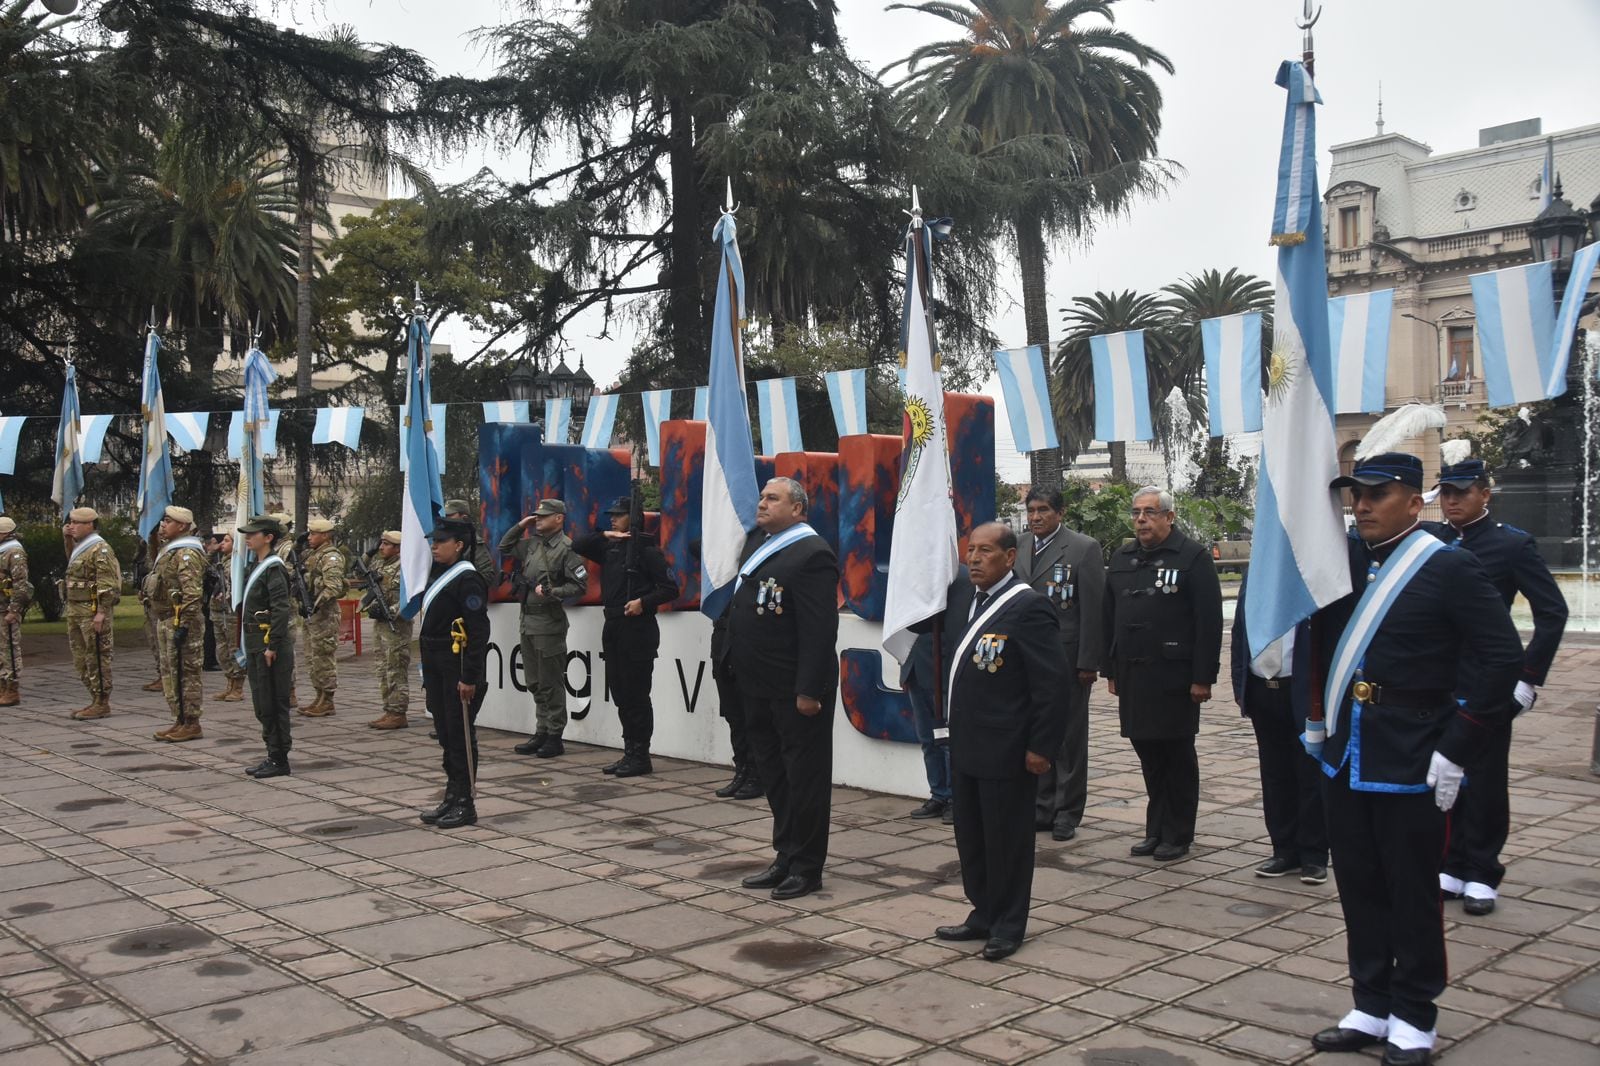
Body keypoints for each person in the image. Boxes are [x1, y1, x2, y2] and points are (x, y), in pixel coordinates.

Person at [1309, 452, 1522, 1065]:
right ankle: (1371, 1003)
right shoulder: (1345, 562)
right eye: (1358, 494)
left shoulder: (1448, 567)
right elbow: (1317, 642)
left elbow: (1502, 658)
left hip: (1413, 755)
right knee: (1359, 886)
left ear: (1415, 499)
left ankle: (1414, 1014)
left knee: (1411, 891)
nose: (1363, 505)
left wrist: (1460, 745)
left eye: (1379, 494)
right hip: (1347, 755)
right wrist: (1313, 725)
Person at [1425, 458, 1567, 917]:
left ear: (1485, 493)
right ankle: (1452, 862)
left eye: (1461, 492)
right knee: (1447, 776)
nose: (1451, 501)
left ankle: (1483, 870)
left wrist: (1528, 677)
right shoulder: (1437, 541)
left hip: (1490, 680)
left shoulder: (1511, 545)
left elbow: (1553, 612)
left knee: (1484, 779)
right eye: (1446, 492)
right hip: (1443, 680)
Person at [923, 523, 1068, 961]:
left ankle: (1008, 923)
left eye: (986, 551)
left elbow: (1052, 685)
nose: (974, 559)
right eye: (971, 551)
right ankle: (982, 911)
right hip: (968, 745)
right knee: (972, 837)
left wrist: (1042, 747)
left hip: (1007, 748)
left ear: (1009, 557)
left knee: (1006, 840)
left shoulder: (1029, 608)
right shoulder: (967, 601)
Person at [722, 477, 840, 901]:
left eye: (773, 498)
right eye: (762, 497)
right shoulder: (762, 545)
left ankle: (808, 867)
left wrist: (809, 690)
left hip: (796, 692)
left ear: (799, 509)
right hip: (757, 686)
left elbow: (819, 629)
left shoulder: (813, 554)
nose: (762, 504)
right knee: (774, 776)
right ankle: (786, 854)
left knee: (804, 779)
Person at [1102, 486, 1222, 862]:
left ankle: (1178, 833)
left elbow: (1209, 621)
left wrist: (1203, 677)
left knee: (1176, 756)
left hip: (1175, 678)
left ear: (1169, 517)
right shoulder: (1123, 558)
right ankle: (1156, 829)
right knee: (1148, 754)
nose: (1141, 520)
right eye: (1137, 513)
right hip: (1135, 676)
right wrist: (1111, 668)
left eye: (1150, 513)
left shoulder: (1192, 557)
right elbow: (1110, 617)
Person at [1012, 487, 1106, 841]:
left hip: (1066, 658)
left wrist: (1088, 662)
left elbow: (1093, 609)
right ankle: (1042, 805)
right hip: (1024, 657)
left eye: (1044, 511)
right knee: (1035, 732)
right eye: (1031, 510)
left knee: (1068, 737)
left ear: (1060, 513)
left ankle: (1067, 810)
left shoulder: (1083, 548)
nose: (1036, 517)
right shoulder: (1018, 545)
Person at [1230, 575, 1326, 884]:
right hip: (1262, 689)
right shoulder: (1256, 576)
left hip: (1301, 691)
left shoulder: (1309, 576)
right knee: (1274, 774)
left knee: (1309, 773)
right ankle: (1283, 849)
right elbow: (1239, 634)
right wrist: (1240, 683)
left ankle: (1313, 855)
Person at [573, 496, 678, 777]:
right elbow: (578, 544)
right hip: (614, 626)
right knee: (620, 692)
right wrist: (605, 534)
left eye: (618, 516)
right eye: (612, 515)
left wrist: (643, 602)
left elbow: (670, 589)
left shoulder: (647, 551)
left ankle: (640, 754)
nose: (613, 519)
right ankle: (629, 750)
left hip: (638, 628)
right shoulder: (611, 548)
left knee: (636, 694)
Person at [417, 517, 490, 829]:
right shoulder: (439, 574)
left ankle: (465, 802)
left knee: (459, 735)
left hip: (456, 664)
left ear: (458, 546)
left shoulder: (467, 579)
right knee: (446, 733)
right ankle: (452, 793)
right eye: (433, 541)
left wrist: (470, 676)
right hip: (436, 663)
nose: (434, 546)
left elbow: (478, 630)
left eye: (441, 541)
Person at [499, 498, 587, 758]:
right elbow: (505, 547)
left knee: (550, 682)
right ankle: (541, 730)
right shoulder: (533, 544)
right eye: (536, 516)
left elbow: (580, 586)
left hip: (549, 622)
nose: (538, 519)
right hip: (527, 620)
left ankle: (554, 735)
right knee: (535, 681)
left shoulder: (567, 548)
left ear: (559, 518)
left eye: (544, 516)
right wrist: (521, 525)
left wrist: (553, 591)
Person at [238, 515, 296, 779]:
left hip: (267, 646)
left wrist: (272, 645)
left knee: (273, 701)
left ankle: (279, 757)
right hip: (255, 644)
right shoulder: (256, 565)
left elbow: (280, 609)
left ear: (268, 537)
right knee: (262, 702)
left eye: (253, 534)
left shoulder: (273, 568)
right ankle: (271, 753)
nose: (248, 538)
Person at [148, 506, 207, 742]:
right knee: (172, 672)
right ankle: (180, 718)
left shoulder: (186, 553)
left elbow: (192, 594)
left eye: (168, 521)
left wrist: (183, 624)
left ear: (182, 526)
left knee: (187, 673)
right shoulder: (170, 551)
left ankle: (192, 722)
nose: (163, 524)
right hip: (167, 619)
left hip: (182, 622)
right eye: (163, 520)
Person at [63, 507, 120, 720]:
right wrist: (67, 540)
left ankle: (102, 701)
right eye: (71, 522)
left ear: (90, 525)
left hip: (92, 611)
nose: (72, 526)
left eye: (77, 523)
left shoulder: (100, 549)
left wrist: (101, 613)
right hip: (76, 609)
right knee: (81, 658)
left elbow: (108, 584)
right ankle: (94, 698)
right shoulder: (81, 548)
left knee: (97, 656)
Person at [710, 613, 764, 800]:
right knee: (734, 717)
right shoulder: (721, 583)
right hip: (721, 644)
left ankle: (756, 775)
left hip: (748, 645)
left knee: (753, 718)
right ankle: (741, 770)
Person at [901, 632, 953, 824]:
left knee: (948, 741)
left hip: (942, 673)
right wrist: (905, 671)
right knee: (928, 741)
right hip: (915, 671)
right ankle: (938, 795)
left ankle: (954, 799)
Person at [298, 517, 346, 717]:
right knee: (312, 658)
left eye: (314, 534)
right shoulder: (313, 554)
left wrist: (314, 605)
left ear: (325, 535)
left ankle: (327, 700)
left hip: (324, 615)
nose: (310, 537)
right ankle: (318, 696)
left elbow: (333, 586)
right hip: (312, 616)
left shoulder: (331, 556)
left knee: (323, 657)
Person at [365, 531, 413, 730]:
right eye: (381, 544)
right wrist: (370, 552)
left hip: (397, 627)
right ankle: (388, 709)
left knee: (396, 669)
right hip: (380, 626)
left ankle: (398, 712)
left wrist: (391, 612)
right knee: (382, 669)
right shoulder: (378, 564)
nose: (382, 547)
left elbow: (410, 597)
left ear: (398, 548)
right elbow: (360, 569)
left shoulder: (405, 567)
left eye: (386, 544)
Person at [208, 533, 246, 702]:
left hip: (231, 613)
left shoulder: (238, 563)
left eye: (227, 541)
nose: (222, 544)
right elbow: (202, 566)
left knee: (233, 650)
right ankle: (229, 683)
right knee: (221, 651)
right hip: (218, 612)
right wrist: (211, 551)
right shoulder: (221, 561)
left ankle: (238, 686)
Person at [0, 516, 32, 707]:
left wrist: (14, 609)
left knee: (9, 648)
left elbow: (21, 584)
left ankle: (11, 688)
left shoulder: (14, 551)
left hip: (6, 608)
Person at [442, 498, 498, 586]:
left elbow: (487, 575)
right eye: (445, 515)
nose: (446, 518)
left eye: (450, 515)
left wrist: (461, 587)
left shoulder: (474, 543)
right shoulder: (442, 539)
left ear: (464, 517)